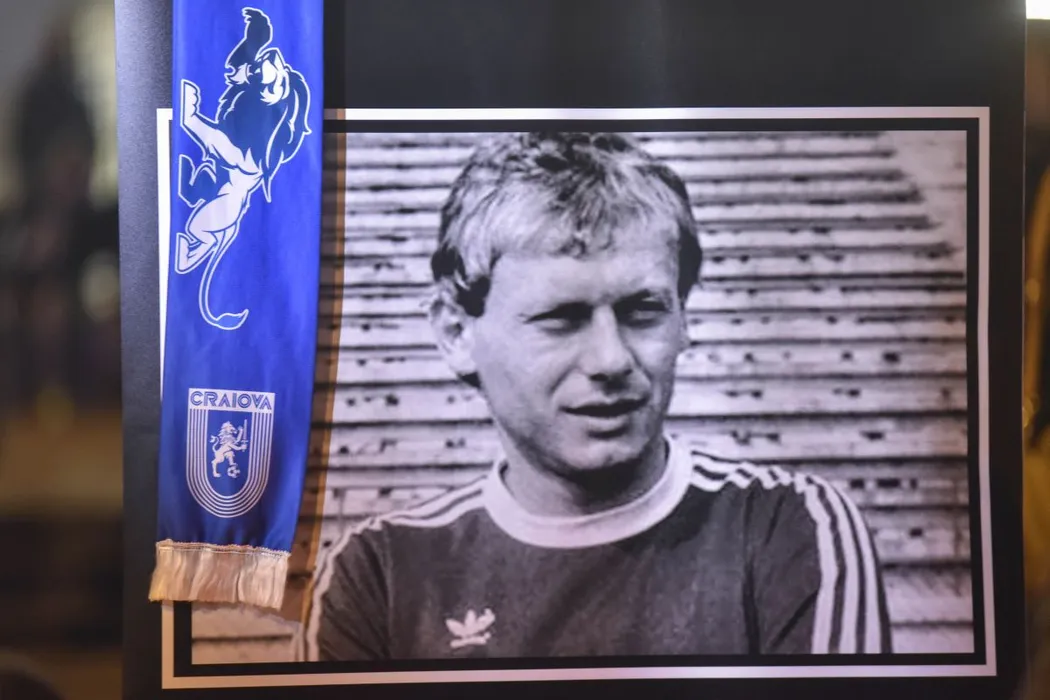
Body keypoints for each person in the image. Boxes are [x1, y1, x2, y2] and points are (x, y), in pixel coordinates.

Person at [304, 132, 891, 661]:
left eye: (643, 311)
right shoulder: (377, 575)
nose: (611, 360)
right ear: (457, 334)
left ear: (684, 319)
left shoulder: (789, 528)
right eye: (561, 318)